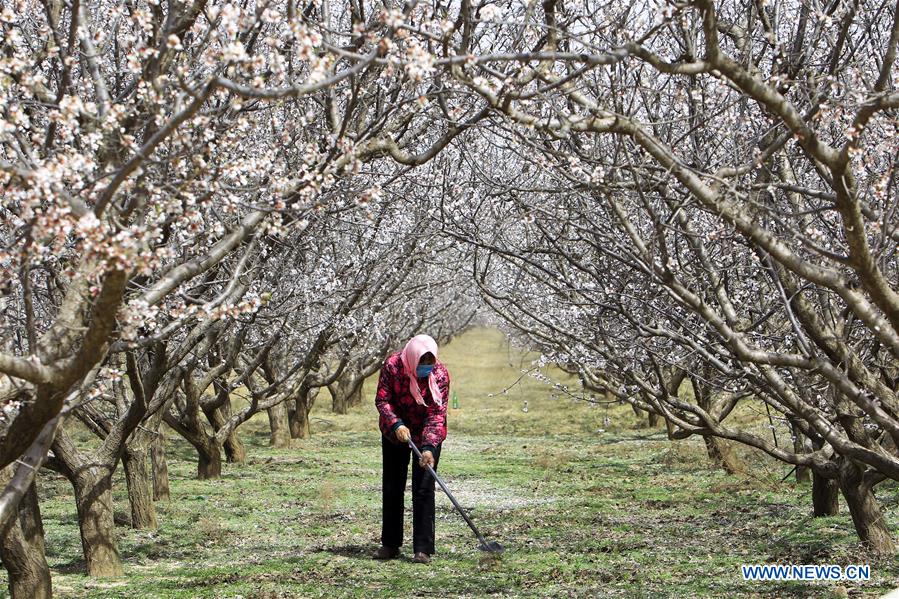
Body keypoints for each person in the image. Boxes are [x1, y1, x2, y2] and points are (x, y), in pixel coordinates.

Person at [372, 334, 449, 564]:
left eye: (429, 363)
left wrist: (428, 449)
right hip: (396, 432)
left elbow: (436, 414)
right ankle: (390, 544)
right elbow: (382, 400)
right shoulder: (394, 366)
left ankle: (423, 548)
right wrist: (396, 424)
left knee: (424, 488)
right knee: (393, 486)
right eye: (421, 363)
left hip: (427, 432)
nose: (425, 368)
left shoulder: (440, 375)